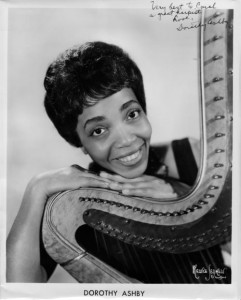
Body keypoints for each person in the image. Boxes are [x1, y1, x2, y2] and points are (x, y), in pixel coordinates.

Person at [7, 41, 230, 283]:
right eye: (99, 130)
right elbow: (20, 288)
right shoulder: (69, 205)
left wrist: (183, 199)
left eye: (132, 114)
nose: (126, 139)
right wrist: (36, 187)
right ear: (79, 142)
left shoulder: (195, 157)